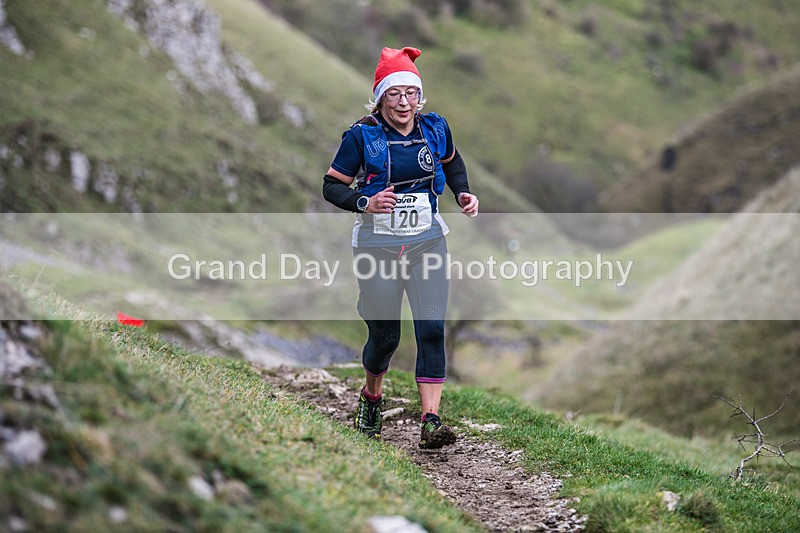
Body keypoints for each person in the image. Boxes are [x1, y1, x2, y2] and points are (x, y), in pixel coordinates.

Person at [322, 46, 479, 449]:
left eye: (411, 93)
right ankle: (371, 396)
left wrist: (462, 192)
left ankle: (431, 420)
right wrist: (365, 201)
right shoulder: (361, 136)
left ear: (420, 96)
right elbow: (332, 185)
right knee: (386, 338)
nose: (404, 102)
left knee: (431, 328)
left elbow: (452, 162)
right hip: (377, 247)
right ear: (380, 98)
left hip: (428, 241)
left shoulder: (435, 129)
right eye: (394, 94)